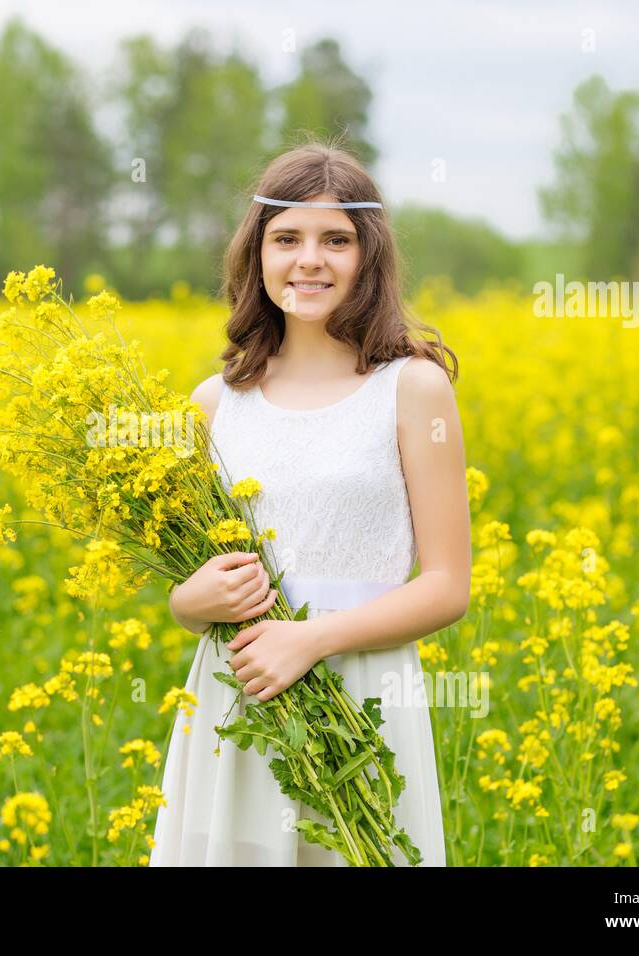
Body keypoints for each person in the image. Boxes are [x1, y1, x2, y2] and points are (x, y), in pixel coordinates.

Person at [148, 141, 471, 867]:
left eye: (337, 240)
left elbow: (449, 587)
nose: (310, 260)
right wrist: (189, 600)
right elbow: (192, 592)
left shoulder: (413, 389)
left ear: (370, 256)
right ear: (256, 255)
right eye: (287, 238)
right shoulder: (211, 404)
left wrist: (312, 639)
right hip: (243, 694)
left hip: (363, 692)